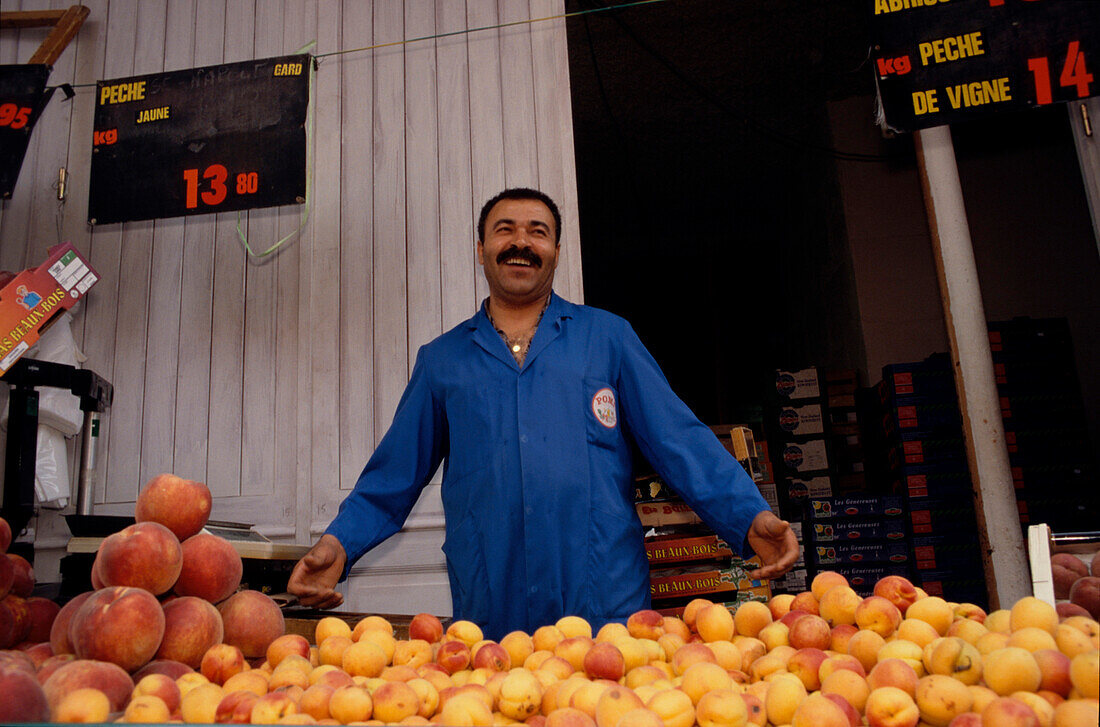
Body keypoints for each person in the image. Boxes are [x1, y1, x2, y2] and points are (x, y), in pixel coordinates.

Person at [287, 188, 799, 638]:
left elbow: (679, 441)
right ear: (481, 251)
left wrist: (749, 517)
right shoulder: (442, 360)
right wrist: (339, 544)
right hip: (492, 603)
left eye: (538, 231)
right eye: (503, 230)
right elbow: (393, 476)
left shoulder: (608, 338)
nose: (520, 242)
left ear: (556, 251)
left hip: (603, 598)